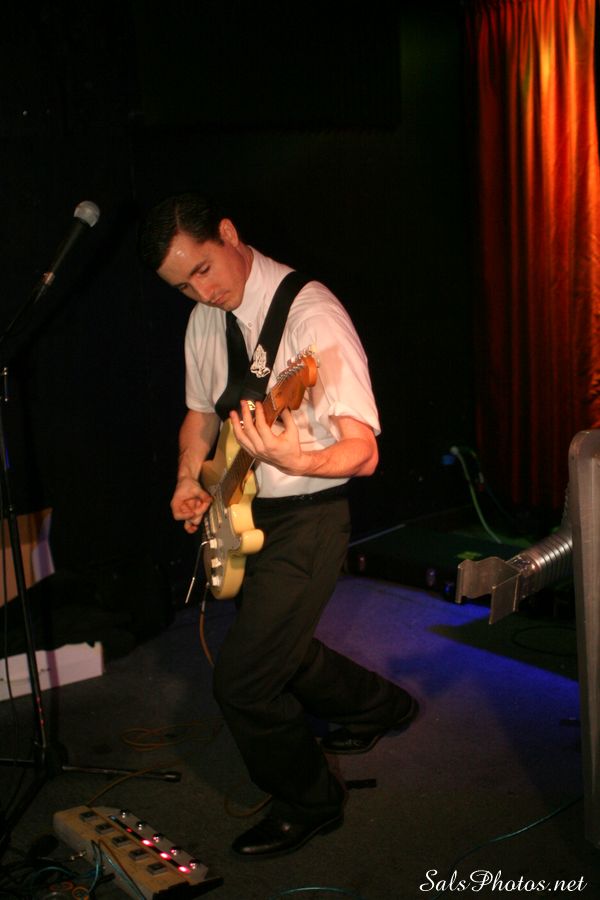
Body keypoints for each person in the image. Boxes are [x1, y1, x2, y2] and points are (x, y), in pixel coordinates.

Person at [138, 192, 418, 858]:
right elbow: (200, 416)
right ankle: (381, 707)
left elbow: (364, 451)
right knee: (279, 648)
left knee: (242, 680)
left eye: (203, 269)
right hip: (246, 513)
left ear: (228, 233)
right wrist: (188, 478)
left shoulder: (311, 313)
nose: (201, 293)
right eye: (183, 287)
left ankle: (311, 801)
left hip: (310, 517)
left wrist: (300, 458)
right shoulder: (204, 321)